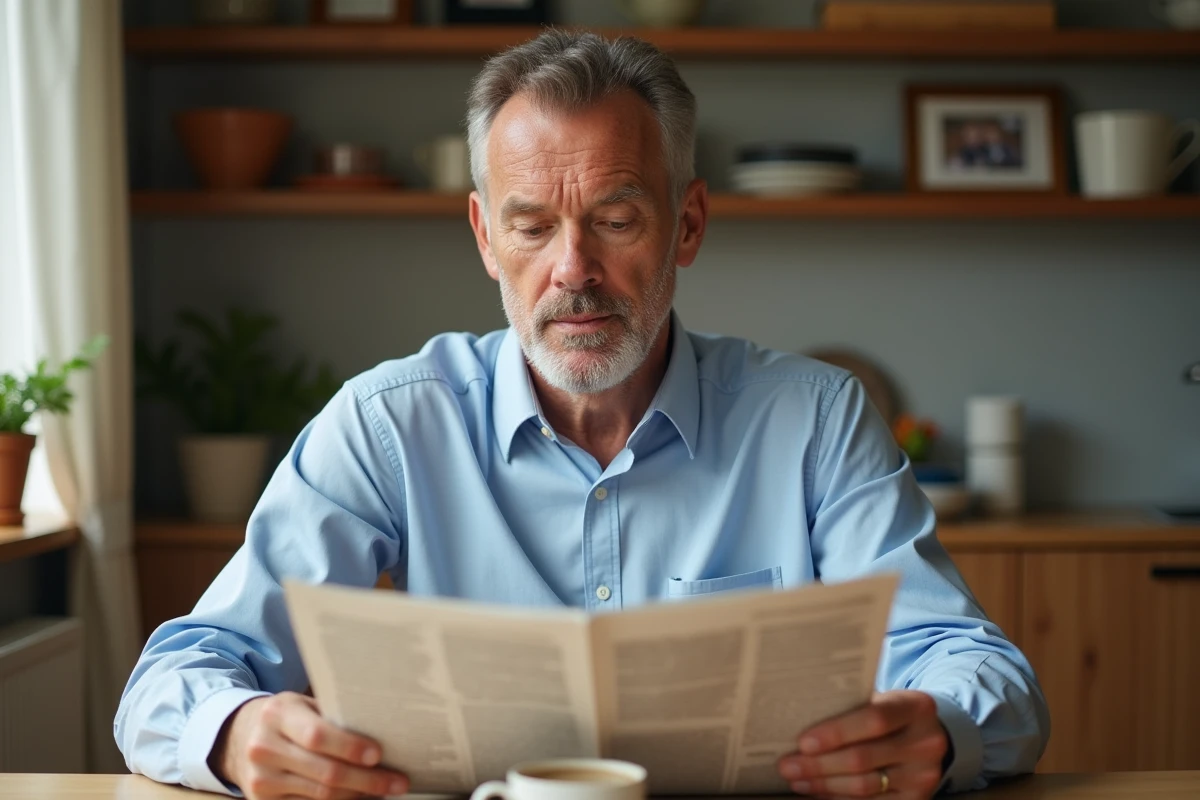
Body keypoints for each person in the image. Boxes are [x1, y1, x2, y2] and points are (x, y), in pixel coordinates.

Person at [116, 29, 1049, 800]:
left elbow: (981, 669)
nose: (573, 271)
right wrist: (237, 732)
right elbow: (174, 677)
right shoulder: (389, 424)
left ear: (688, 224)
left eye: (615, 219)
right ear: (486, 238)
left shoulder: (816, 421)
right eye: (531, 227)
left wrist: (938, 729)